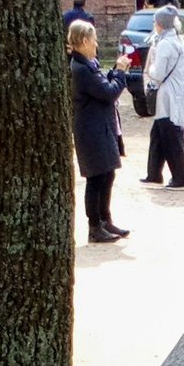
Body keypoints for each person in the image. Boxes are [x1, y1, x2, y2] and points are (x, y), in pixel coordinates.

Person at [67, 17, 131, 243]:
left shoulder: (88, 64)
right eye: (94, 39)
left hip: (99, 127)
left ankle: (105, 219)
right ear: (84, 41)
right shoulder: (81, 69)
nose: (96, 44)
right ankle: (94, 226)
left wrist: (113, 73)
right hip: (91, 131)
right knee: (96, 177)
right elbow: (108, 93)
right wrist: (120, 73)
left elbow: (103, 86)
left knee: (107, 173)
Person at [144, 2, 184, 188]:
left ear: (160, 24)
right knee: (158, 134)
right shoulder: (178, 43)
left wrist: (151, 68)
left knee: (171, 138)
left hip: (168, 96)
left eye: (155, 22)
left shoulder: (165, 45)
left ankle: (181, 178)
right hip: (176, 95)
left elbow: (158, 73)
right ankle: (154, 173)